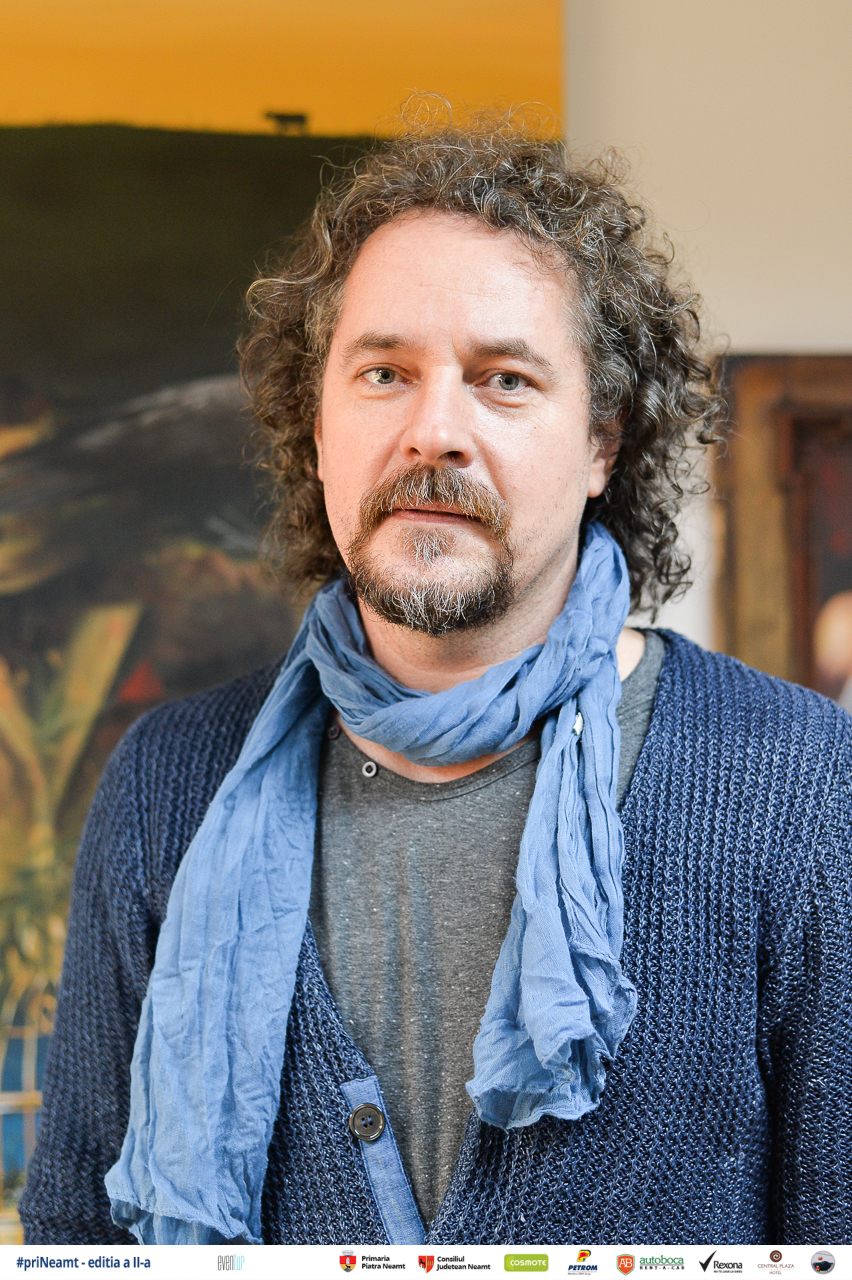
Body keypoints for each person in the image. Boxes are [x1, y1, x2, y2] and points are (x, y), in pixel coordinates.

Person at [20, 119, 852, 1248]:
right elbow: (79, 1240)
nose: (434, 432)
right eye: (384, 374)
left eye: (504, 379)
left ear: (603, 443)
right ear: (317, 428)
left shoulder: (799, 783)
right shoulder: (167, 783)